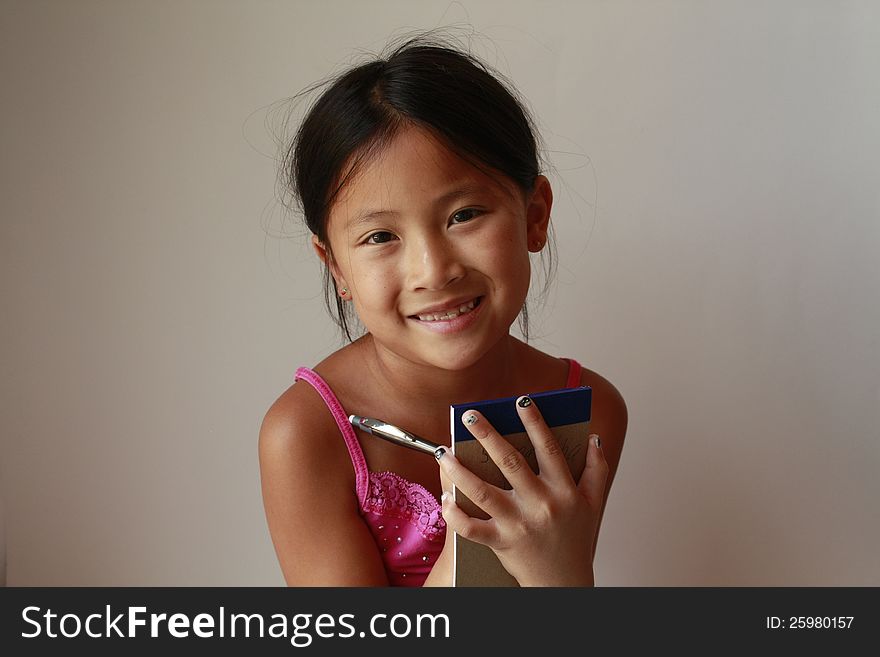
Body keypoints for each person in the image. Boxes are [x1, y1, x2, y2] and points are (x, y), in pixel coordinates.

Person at [259, 34, 627, 586]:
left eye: (464, 215)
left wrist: (559, 580)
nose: (433, 270)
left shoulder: (589, 411)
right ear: (335, 266)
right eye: (381, 235)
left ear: (534, 216)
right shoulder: (308, 435)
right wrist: (484, 538)